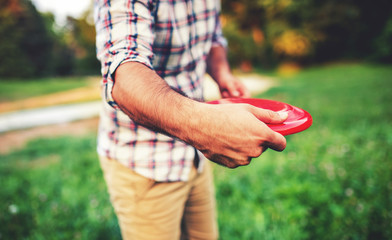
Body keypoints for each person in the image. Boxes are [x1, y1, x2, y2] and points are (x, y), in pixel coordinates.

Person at [94, 0, 287, 239]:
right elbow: (124, 78)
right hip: (143, 162)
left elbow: (213, 36)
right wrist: (205, 126)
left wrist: (222, 72)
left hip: (194, 155)